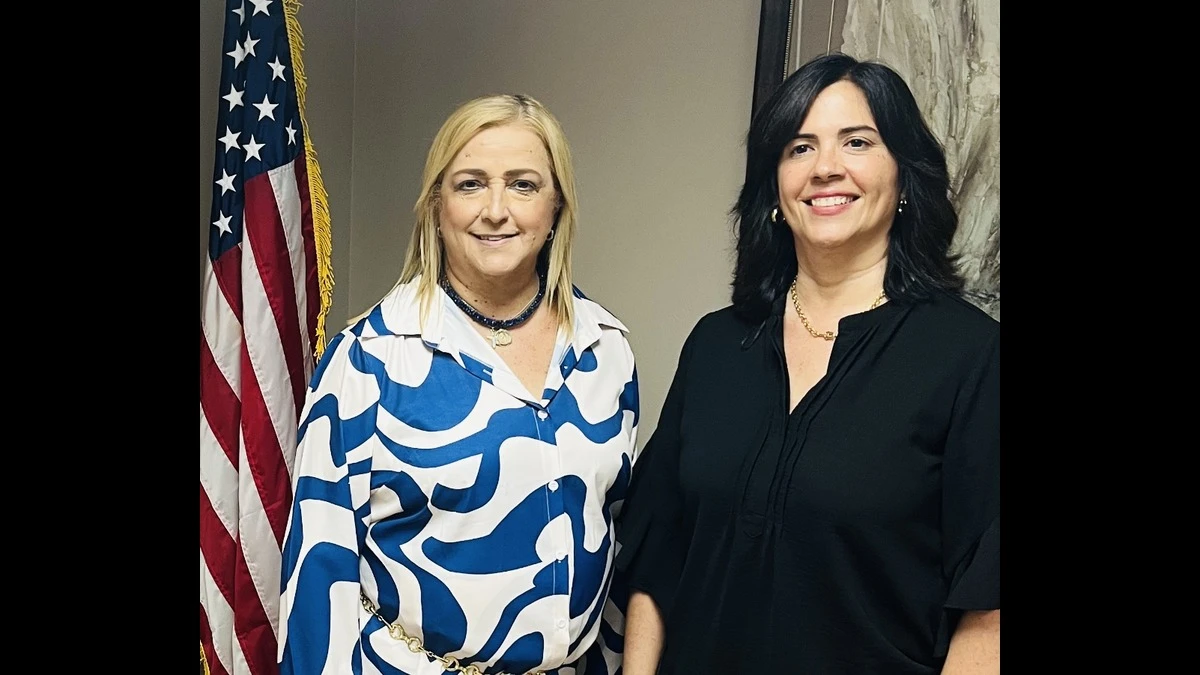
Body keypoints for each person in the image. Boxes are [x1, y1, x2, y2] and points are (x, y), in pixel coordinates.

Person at [616, 53, 1000, 674]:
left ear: (904, 177)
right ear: (774, 188)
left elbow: (989, 606)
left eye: (857, 142)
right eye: (799, 148)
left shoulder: (971, 357)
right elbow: (660, 555)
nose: (826, 168)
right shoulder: (717, 346)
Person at [278, 94, 639, 675]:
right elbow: (318, 576)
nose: (496, 210)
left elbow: (618, 542)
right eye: (471, 184)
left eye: (523, 185)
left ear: (555, 208)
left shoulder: (605, 349)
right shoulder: (371, 360)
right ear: (436, 205)